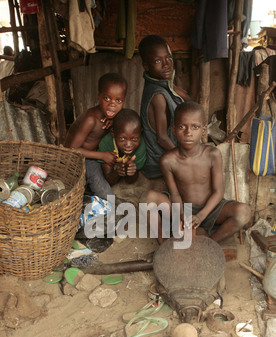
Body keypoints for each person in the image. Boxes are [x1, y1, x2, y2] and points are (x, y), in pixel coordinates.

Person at [144, 101, 251, 244]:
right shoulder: (168, 160)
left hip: (211, 209)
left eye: (195, 127)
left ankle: (210, 244)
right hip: (182, 208)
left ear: (204, 130)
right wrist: (182, 216)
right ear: (174, 130)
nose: (188, 133)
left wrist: (201, 216)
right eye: (182, 127)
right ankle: (164, 245)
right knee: (147, 197)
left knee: (244, 212)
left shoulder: (213, 154)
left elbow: (218, 192)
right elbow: (175, 194)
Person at [65, 72, 127, 199]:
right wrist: (101, 156)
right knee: (106, 194)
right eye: (107, 98)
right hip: (81, 158)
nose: (112, 104)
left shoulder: (113, 117)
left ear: (123, 101)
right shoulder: (91, 119)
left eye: (118, 100)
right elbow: (71, 150)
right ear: (99, 97)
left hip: (95, 154)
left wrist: (115, 122)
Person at [138, 34, 192, 180]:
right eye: (157, 60)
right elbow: (162, 138)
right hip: (159, 165)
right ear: (146, 66)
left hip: (171, 154)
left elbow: (189, 101)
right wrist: (187, 159)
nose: (166, 64)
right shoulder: (158, 96)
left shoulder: (164, 83)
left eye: (168, 57)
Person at [98, 108, 147, 187]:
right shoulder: (106, 143)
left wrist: (132, 172)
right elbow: (108, 180)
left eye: (134, 139)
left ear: (140, 133)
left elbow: (130, 181)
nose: (128, 144)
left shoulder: (140, 147)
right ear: (113, 132)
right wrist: (117, 172)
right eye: (122, 138)